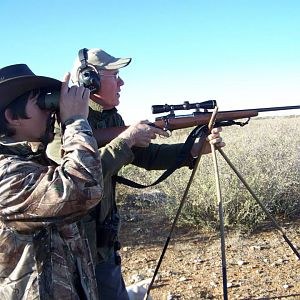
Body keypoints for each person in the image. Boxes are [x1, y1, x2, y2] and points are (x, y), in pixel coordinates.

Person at [47, 48, 225, 300]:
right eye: (115, 75)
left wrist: (196, 148)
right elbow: (77, 179)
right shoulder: (60, 122)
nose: (121, 82)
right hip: (71, 247)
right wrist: (127, 139)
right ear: (90, 79)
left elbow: (148, 156)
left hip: (101, 242)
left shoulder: (110, 119)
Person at [0, 64, 104, 299]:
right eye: (43, 105)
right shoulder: (5, 173)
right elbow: (82, 187)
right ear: (11, 116)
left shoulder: (32, 161)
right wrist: (75, 121)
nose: (52, 112)